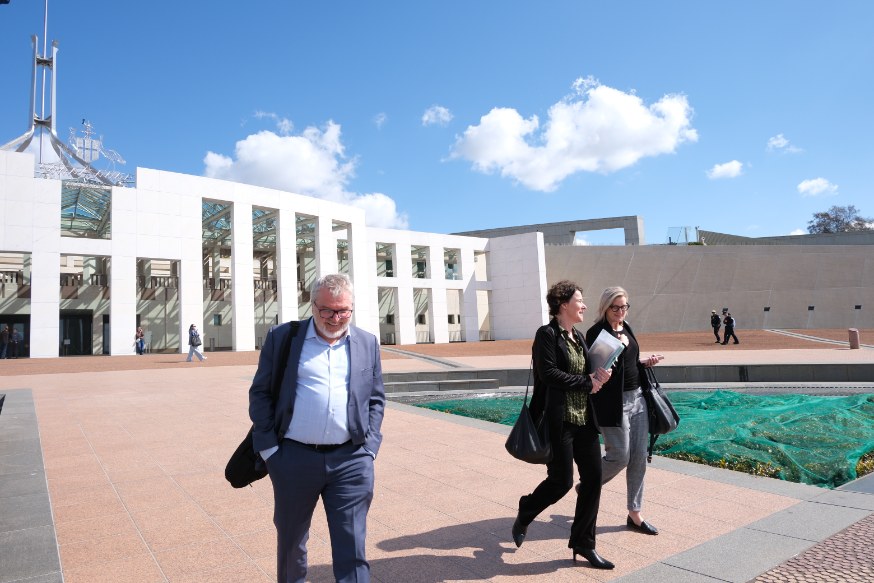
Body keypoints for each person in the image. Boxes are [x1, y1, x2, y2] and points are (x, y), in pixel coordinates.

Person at [250, 273, 385, 583]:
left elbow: (376, 398)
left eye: (343, 311)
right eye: (327, 310)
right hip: (293, 458)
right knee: (292, 544)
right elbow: (260, 393)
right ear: (312, 306)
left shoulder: (367, 342)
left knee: (353, 546)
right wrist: (270, 450)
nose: (335, 319)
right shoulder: (284, 338)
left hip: (352, 460)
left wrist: (369, 448)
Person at [512, 280, 614, 569]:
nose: (584, 306)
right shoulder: (546, 335)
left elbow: (586, 375)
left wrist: (599, 377)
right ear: (563, 304)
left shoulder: (579, 337)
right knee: (561, 482)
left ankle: (584, 543)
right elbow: (549, 374)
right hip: (559, 421)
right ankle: (527, 509)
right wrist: (587, 382)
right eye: (579, 300)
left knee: (593, 479)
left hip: (584, 420)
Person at [584, 286, 663, 538]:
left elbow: (630, 362)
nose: (620, 312)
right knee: (620, 456)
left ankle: (635, 513)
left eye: (624, 307)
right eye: (615, 308)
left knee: (639, 457)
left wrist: (644, 362)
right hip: (612, 402)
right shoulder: (596, 333)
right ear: (605, 308)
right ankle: (588, 484)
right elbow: (596, 371)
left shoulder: (626, 327)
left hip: (638, 398)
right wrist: (616, 348)